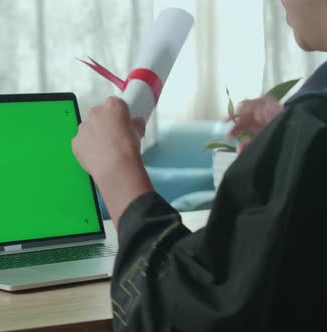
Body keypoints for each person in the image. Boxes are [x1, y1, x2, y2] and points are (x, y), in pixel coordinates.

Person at [72, 0, 327, 331]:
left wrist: (117, 168)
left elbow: (190, 316)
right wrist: (282, 152)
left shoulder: (313, 123)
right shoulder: (309, 125)